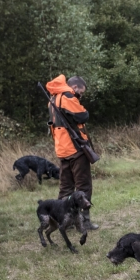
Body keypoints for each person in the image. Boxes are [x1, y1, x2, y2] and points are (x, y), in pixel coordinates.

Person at [46, 74, 99, 230]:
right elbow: (83, 115)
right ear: (74, 87)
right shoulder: (68, 96)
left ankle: (63, 220)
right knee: (84, 186)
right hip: (75, 149)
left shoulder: (53, 98)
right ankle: (84, 221)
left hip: (62, 149)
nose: (79, 96)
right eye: (80, 93)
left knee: (66, 187)